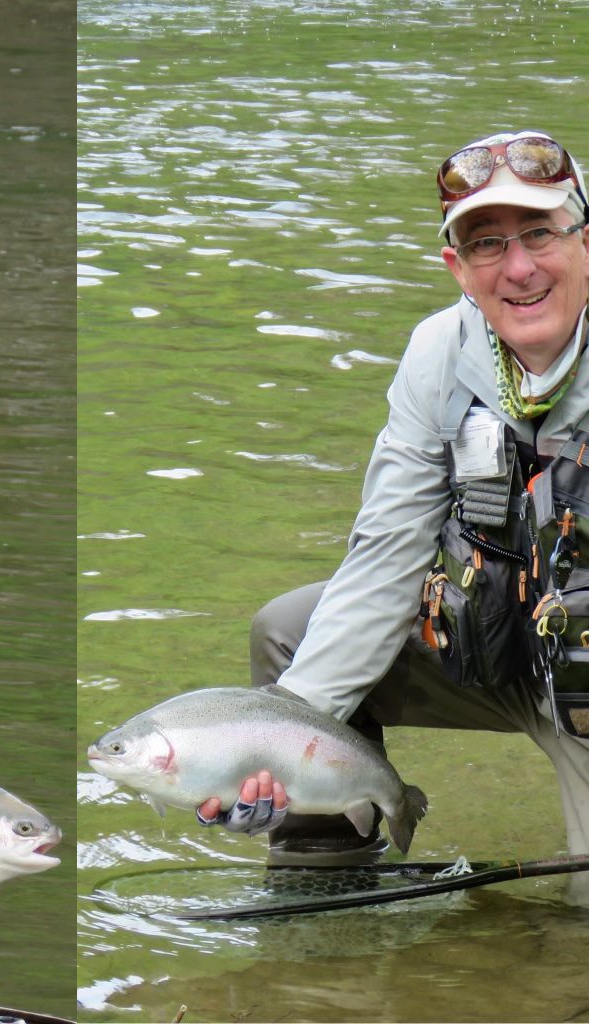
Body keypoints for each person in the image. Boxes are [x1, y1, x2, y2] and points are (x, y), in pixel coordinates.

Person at [195, 129, 589, 871]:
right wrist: (277, 747)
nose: (520, 267)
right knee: (289, 634)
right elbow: (383, 565)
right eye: (487, 246)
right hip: (503, 655)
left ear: (586, 239)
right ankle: (323, 890)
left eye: (540, 232)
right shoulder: (440, 354)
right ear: (457, 268)